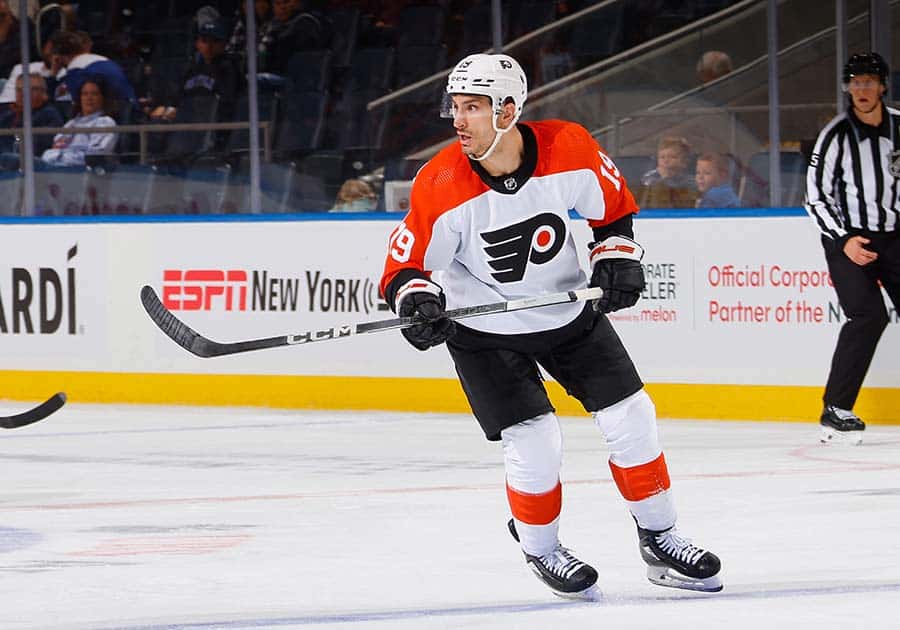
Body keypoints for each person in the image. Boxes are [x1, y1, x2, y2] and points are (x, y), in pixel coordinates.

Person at [379, 53, 722, 600]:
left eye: (474, 107)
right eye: (455, 108)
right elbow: (404, 267)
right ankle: (542, 548)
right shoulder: (441, 182)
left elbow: (612, 211)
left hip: (566, 314)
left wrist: (616, 254)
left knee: (632, 417)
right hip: (483, 330)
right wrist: (416, 300)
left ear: (509, 111)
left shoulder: (569, 146)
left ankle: (660, 538)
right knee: (536, 439)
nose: (459, 120)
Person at [805, 52, 900, 446]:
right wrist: (844, 240)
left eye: (869, 81)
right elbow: (815, 196)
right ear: (848, 87)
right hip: (849, 240)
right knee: (867, 316)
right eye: (855, 81)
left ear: (882, 86)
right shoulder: (835, 135)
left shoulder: (898, 126)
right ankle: (836, 408)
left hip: (895, 235)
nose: (862, 89)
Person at [149, 18, 243, 124]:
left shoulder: (230, 69)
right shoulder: (192, 69)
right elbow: (177, 98)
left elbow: (227, 105)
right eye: (204, 40)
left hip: (216, 127)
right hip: (191, 127)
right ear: (197, 44)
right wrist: (168, 109)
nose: (209, 46)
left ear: (224, 44)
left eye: (215, 41)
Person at [41, 78, 117, 167]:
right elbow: (53, 150)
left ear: (103, 98)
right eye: (85, 94)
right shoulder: (71, 124)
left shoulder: (105, 122)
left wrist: (61, 156)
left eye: (94, 94)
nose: (89, 98)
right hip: (57, 169)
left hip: (84, 173)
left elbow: (93, 156)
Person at [50, 30, 136, 105]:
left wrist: (53, 72)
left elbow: (76, 103)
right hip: (128, 106)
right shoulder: (100, 59)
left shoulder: (76, 68)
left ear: (60, 57)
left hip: (114, 113)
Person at [0, 73, 64, 166]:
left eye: (31, 89)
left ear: (43, 92)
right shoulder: (8, 116)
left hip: (34, 164)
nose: (23, 94)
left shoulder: (49, 114)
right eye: (19, 90)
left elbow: (42, 144)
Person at [636, 136, 696, 208]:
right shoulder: (649, 178)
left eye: (672, 157)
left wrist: (665, 178)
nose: (666, 161)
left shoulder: (689, 181)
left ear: (684, 162)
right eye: (662, 157)